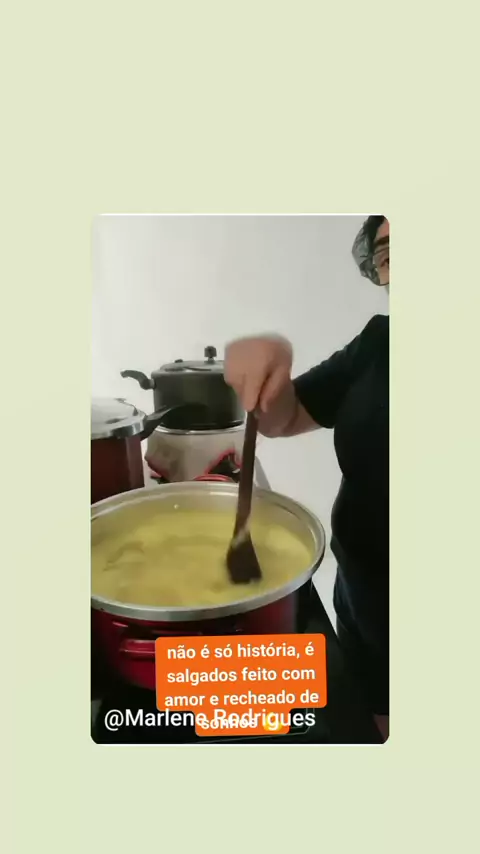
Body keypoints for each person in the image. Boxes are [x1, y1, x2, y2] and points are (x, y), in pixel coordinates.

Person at [224, 216, 389, 741]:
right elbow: (286, 417)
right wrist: (269, 359)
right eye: (389, 255)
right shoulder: (380, 343)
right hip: (364, 597)